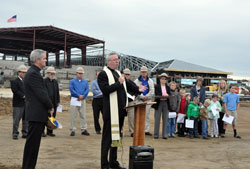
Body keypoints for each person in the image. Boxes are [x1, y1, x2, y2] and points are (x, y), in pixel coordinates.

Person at [98, 53, 145, 169]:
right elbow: (105, 90)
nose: (117, 62)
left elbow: (128, 85)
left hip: (120, 112)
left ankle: (113, 162)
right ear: (108, 62)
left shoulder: (118, 73)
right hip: (110, 112)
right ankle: (104, 164)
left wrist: (138, 89)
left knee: (116, 138)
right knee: (107, 139)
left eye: (117, 60)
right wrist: (118, 83)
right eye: (114, 60)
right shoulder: (103, 74)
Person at [22, 49, 54, 169]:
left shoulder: (33, 72)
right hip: (36, 114)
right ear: (37, 60)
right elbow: (41, 94)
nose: (46, 60)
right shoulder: (34, 74)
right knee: (32, 146)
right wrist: (50, 106)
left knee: (33, 145)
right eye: (44, 58)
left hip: (36, 114)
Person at [69, 67, 89, 136]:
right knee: (73, 115)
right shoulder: (72, 81)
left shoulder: (85, 82)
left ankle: (83, 129)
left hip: (82, 100)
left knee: (83, 115)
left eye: (81, 73)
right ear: (76, 73)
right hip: (75, 99)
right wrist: (78, 95)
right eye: (79, 73)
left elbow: (87, 90)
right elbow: (72, 90)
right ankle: (72, 129)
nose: (80, 75)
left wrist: (83, 96)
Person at [134, 66, 155, 136]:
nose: (144, 73)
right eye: (142, 72)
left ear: (147, 72)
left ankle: (146, 130)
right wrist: (142, 96)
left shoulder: (150, 81)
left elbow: (152, 90)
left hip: (147, 100)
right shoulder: (136, 81)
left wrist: (147, 96)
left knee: (146, 115)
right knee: (138, 115)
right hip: (139, 100)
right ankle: (138, 129)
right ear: (140, 72)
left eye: (145, 72)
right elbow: (135, 91)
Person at [10, 65, 28, 140]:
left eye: (25, 73)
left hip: (26, 103)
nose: (24, 74)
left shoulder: (26, 81)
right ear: (19, 72)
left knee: (26, 119)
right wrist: (23, 96)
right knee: (16, 119)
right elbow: (15, 90)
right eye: (23, 72)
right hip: (18, 103)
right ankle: (15, 133)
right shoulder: (14, 81)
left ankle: (25, 132)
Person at [152, 73, 170, 139]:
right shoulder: (157, 86)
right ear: (160, 79)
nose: (163, 80)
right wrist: (163, 95)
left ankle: (164, 134)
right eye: (162, 79)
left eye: (165, 79)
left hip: (165, 103)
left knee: (165, 119)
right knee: (157, 119)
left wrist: (167, 95)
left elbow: (169, 94)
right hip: (159, 103)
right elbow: (156, 94)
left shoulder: (167, 87)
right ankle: (156, 134)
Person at [44, 66, 60, 137]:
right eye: (51, 73)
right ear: (48, 73)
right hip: (47, 103)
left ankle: (50, 131)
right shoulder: (44, 81)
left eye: (53, 73)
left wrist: (58, 101)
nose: (52, 75)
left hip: (54, 103)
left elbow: (57, 92)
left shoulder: (55, 82)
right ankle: (42, 131)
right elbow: (44, 93)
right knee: (45, 117)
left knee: (52, 117)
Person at [123, 68, 139, 137]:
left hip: (131, 102)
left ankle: (132, 131)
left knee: (131, 117)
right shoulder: (120, 83)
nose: (127, 75)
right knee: (121, 117)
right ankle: (120, 131)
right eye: (125, 74)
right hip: (122, 102)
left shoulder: (132, 83)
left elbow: (137, 90)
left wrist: (135, 96)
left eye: (128, 74)